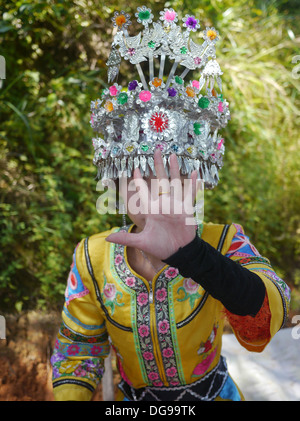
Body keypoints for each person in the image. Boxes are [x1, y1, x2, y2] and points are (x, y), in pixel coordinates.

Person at [50, 7, 291, 401]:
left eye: (176, 177)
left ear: (200, 184)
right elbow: (79, 351)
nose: (158, 191)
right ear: (115, 182)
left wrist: (193, 254)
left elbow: (266, 317)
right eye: (140, 175)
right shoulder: (92, 258)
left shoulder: (223, 241)